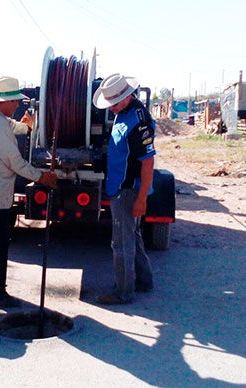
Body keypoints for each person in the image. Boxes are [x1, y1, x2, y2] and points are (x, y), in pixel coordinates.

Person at [0, 76, 57, 308]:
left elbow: (11, 126)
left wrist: (25, 125)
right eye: (15, 102)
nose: (17, 105)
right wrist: (42, 177)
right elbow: (16, 163)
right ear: (4, 102)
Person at [92, 73, 155, 305]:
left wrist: (141, 199)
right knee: (133, 236)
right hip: (121, 186)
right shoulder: (125, 113)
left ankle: (123, 291)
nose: (113, 108)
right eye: (110, 104)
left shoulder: (138, 123)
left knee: (121, 242)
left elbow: (148, 162)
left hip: (127, 190)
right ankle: (144, 280)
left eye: (115, 103)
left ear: (128, 96)